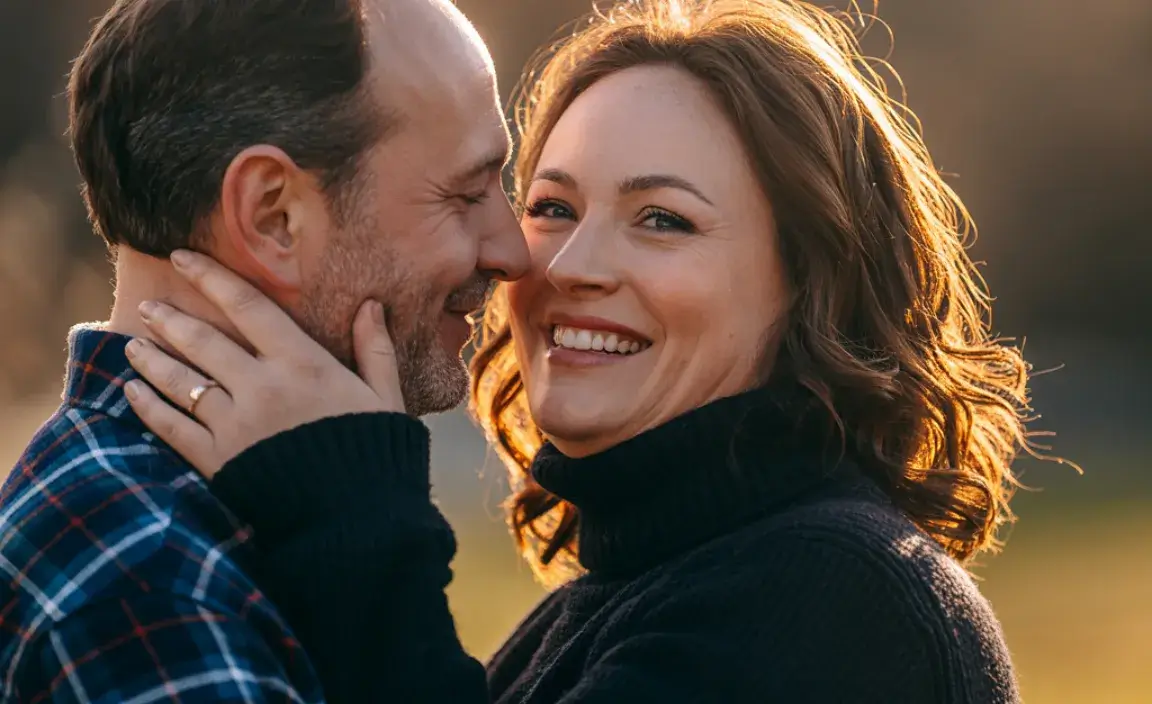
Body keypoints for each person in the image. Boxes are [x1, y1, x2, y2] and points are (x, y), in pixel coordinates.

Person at [124, 0, 1041, 702]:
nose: (566, 266)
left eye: (662, 220)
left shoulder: (841, 597)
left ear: (813, 280)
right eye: (554, 207)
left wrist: (351, 523)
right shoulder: (615, 599)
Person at [0, 0, 527, 700]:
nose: (513, 251)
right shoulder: (154, 589)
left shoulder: (193, 526)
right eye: (464, 195)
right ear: (273, 215)